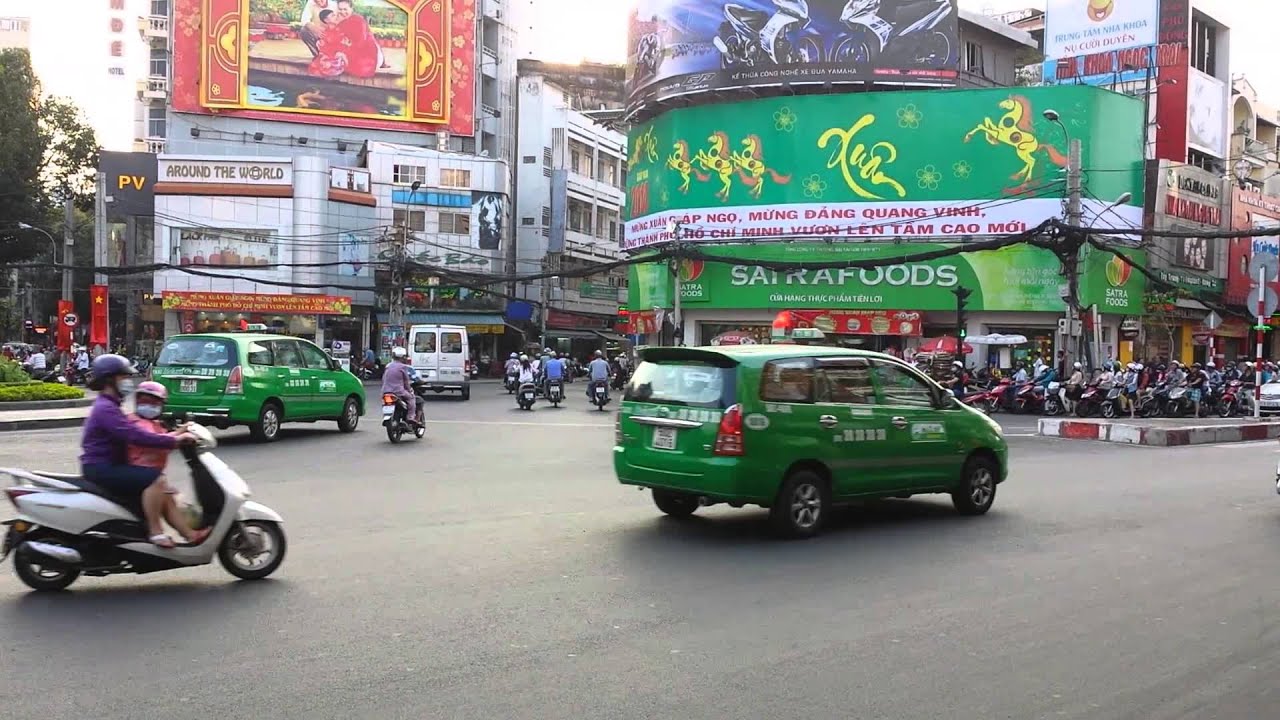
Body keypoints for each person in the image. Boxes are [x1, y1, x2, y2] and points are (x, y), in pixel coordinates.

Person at [80, 354, 197, 548]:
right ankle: (155, 532)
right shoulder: (106, 408)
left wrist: (176, 433)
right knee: (156, 479)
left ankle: (190, 535)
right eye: (123, 377)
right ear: (110, 379)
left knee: (165, 490)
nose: (128, 382)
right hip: (101, 467)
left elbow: (139, 433)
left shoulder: (111, 405)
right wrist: (173, 440)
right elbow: (135, 436)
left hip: (108, 465)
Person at [127, 381, 211, 547]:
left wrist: (182, 430)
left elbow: (163, 437)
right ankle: (155, 532)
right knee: (160, 484)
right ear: (137, 401)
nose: (149, 405)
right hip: (140, 474)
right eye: (145, 401)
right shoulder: (137, 422)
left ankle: (190, 535)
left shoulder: (153, 423)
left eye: (154, 402)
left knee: (168, 496)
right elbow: (154, 440)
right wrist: (179, 438)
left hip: (147, 473)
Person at [380, 347, 421, 428]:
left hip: (386, 391)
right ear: (403, 357)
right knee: (411, 398)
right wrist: (409, 391)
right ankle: (410, 417)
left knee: (385, 403)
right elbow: (406, 381)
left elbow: (384, 379)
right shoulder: (403, 367)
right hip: (398, 391)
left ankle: (386, 416)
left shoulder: (388, 366)